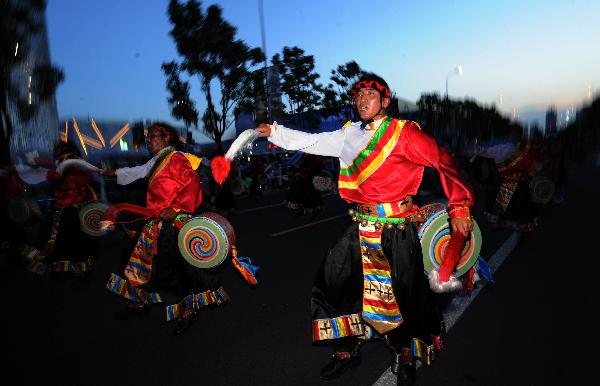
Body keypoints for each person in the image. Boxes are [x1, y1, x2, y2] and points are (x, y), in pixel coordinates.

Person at [255, 73, 474, 386]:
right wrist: (275, 131)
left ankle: (404, 352)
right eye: (357, 96)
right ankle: (346, 348)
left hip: (397, 229)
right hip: (359, 226)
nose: (361, 100)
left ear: (385, 101)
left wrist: (460, 205)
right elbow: (312, 141)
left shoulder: (404, 133)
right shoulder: (348, 134)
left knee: (403, 297)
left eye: (369, 94)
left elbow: (443, 160)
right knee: (333, 282)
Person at [101, 123, 225, 335]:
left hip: (173, 223)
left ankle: (188, 310)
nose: (149, 141)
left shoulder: (177, 158)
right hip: (155, 221)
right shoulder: (156, 161)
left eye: (153, 137)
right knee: (134, 261)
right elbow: (136, 172)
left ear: (166, 139)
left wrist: (176, 208)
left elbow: (193, 183)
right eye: (148, 138)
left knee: (173, 273)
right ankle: (138, 303)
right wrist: (108, 172)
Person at [20, 141, 97, 277]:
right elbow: (56, 167)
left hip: (69, 208)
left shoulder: (68, 161)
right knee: (72, 238)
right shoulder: (73, 160)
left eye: (56, 149)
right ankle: (75, 268)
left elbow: (57, 174)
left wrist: (45, 172)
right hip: (73, 207)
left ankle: (65, 269)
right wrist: (38, 161)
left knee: (60, 238)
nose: (54, 151)